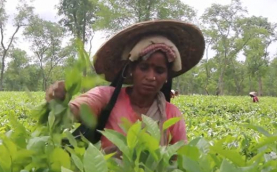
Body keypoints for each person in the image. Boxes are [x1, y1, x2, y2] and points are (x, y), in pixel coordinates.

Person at [46, 20, 205, 154]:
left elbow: (180, 162)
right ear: (130, 70)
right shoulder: (105, 97)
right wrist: (59, 103)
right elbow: (71, 114)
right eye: (144, 68)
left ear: (166, 77)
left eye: (160, 70)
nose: (151, 77)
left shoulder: (172, 114)